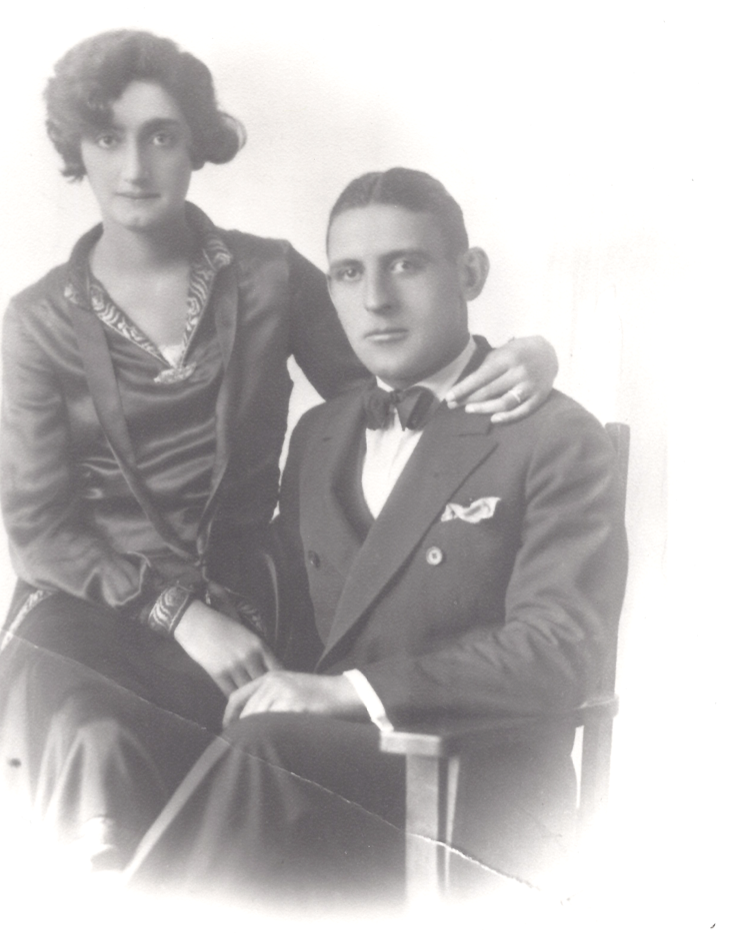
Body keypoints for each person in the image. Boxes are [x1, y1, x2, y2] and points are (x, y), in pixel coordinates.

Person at [0, 33, 558, 872]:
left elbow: (394, 383)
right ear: (78, 150)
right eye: (107, 138)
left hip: (254, 607)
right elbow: (38, 530)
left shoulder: (268, 276)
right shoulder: (38, 319)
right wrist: (180, 617)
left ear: (196, 145)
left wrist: (529, 353)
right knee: (92, 742)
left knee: (251, 759)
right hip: (93, 618)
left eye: (161, 136)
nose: (134, 167)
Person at [123, 168, 627, 907]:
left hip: (472, 787)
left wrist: (347, 693)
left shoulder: (552, 435)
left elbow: (561, 648)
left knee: (263, 753)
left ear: (470, 273)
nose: (376, 300)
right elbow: (287, 611)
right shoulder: (321, 433)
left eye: (406, 265)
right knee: (133, 727)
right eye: (349, 273)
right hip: (327, 779)